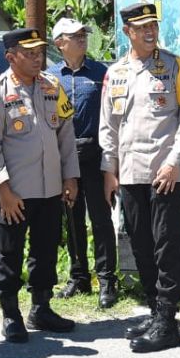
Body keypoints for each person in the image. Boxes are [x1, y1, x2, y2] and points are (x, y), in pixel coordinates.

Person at [100, 2, 180, 353]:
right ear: (127, 31)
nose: (149, 32)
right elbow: (109, 127)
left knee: (166, 245)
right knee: (140, 244)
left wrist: (175, 162)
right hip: (130, 174)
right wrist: (108, 171)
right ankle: (156, 310)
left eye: (153, 26)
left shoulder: (176, 67)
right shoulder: (115, 73)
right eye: (141, 27)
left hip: (165, 174)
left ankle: (167, 322)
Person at [0, 27, 80, 343]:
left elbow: (65, 135)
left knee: (46, 250)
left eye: (40, 53)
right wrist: (3, 190)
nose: (38, 59)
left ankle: (41, 308)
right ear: (11, 57)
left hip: (50, 189)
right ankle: (11, 314)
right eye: (30, 53)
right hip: (16, 193)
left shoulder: (52, 87)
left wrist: (70, 177)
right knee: (9, 254)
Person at [48, 17, 117, 308]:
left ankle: (107, 280)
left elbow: (113, 117)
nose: (81, 39)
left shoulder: (102, 73)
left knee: (101, 219)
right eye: (74, 36)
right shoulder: (50, 78)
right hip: (64, 157)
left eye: (83, 35)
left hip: (95, 155)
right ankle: (79, 277)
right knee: (72, 219)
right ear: (60, 43)